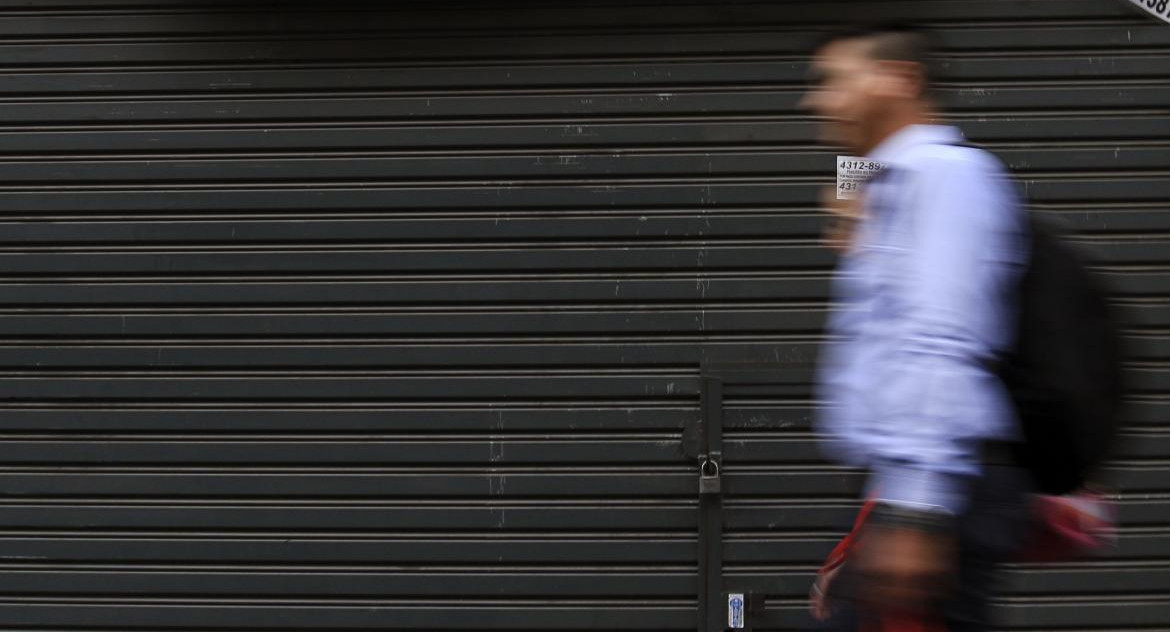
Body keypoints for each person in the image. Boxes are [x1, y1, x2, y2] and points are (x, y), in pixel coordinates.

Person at [802, 24, 1034, 631]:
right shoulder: (887, 181)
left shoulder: (947, 175)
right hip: (897, 484)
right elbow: (878, 319)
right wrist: (853, 222)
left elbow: (941, 335)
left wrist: (918, 513)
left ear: (900, 80)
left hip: (936, 492)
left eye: (836, 81)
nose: (818, 101)